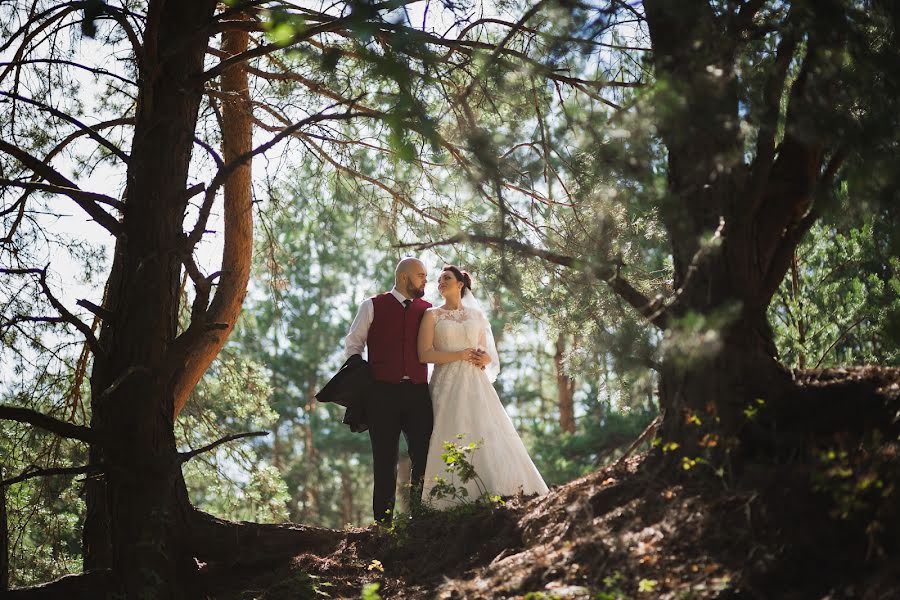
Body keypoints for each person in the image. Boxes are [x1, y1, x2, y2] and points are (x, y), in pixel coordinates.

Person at [417, 265, 549, 508]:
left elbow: (485, 351)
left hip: (475, 382)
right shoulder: (432, 315)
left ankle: (496, 488)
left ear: (460, 284)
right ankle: (449, 500)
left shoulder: (477, 316)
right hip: (445, 382)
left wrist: (485, 359)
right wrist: (459, 354)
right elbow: (425, 354)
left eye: (446, 278)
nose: (440, 283)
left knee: (485, 430)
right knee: (449, 431)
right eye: (438, 280)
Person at [343, 257, 444, 524]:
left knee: (422, 455)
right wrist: (361, 374)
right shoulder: (372, 305)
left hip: (418, 394)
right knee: (384, 461)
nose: (425, 280)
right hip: (382, 395)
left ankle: (420, 518)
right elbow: (353, 343)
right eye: (420, 275)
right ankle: (383, 524)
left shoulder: (428, 309)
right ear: (403, 277)